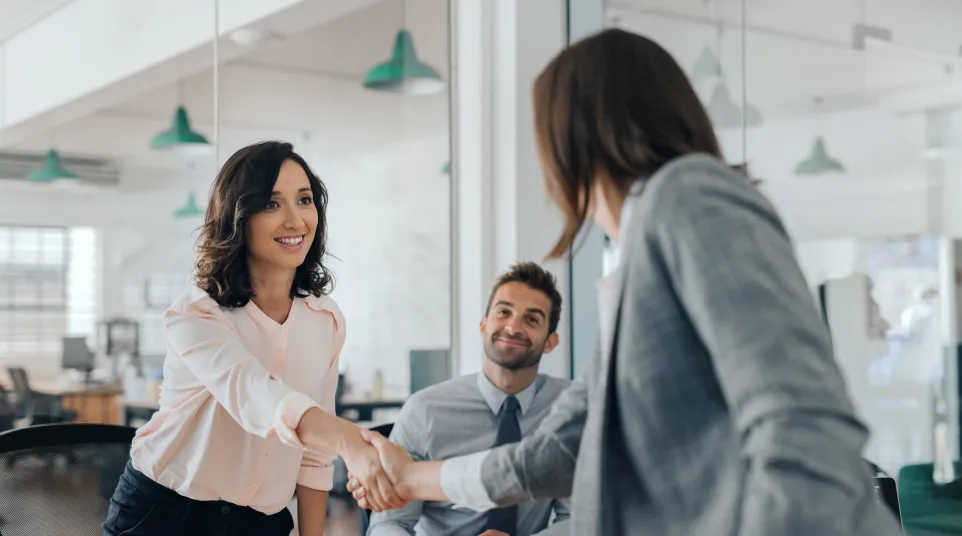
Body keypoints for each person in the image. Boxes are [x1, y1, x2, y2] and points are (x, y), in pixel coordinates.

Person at [348, 28, 903, 535]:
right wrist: (412, 478)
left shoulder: (690, 196)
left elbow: (800, 421)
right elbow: (558, 452)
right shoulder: (634, 262)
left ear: (572, 135)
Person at [102, 141, 403, 536]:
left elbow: (313, 455)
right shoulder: (197, 312)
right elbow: (255, 395)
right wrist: (353, 443)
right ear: (237, 217)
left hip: (262, 523)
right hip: (166, 513)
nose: (295, 220)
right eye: (271, 204)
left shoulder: (325, 319)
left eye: (305, 200)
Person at [366, 262, 571, 536]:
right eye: (503, 312)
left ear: (550, 342)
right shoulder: (425, 410)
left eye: (531, 319)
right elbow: (389, 523)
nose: (513, 327)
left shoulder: (568, 408)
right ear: (484, 324)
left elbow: (581, 517)